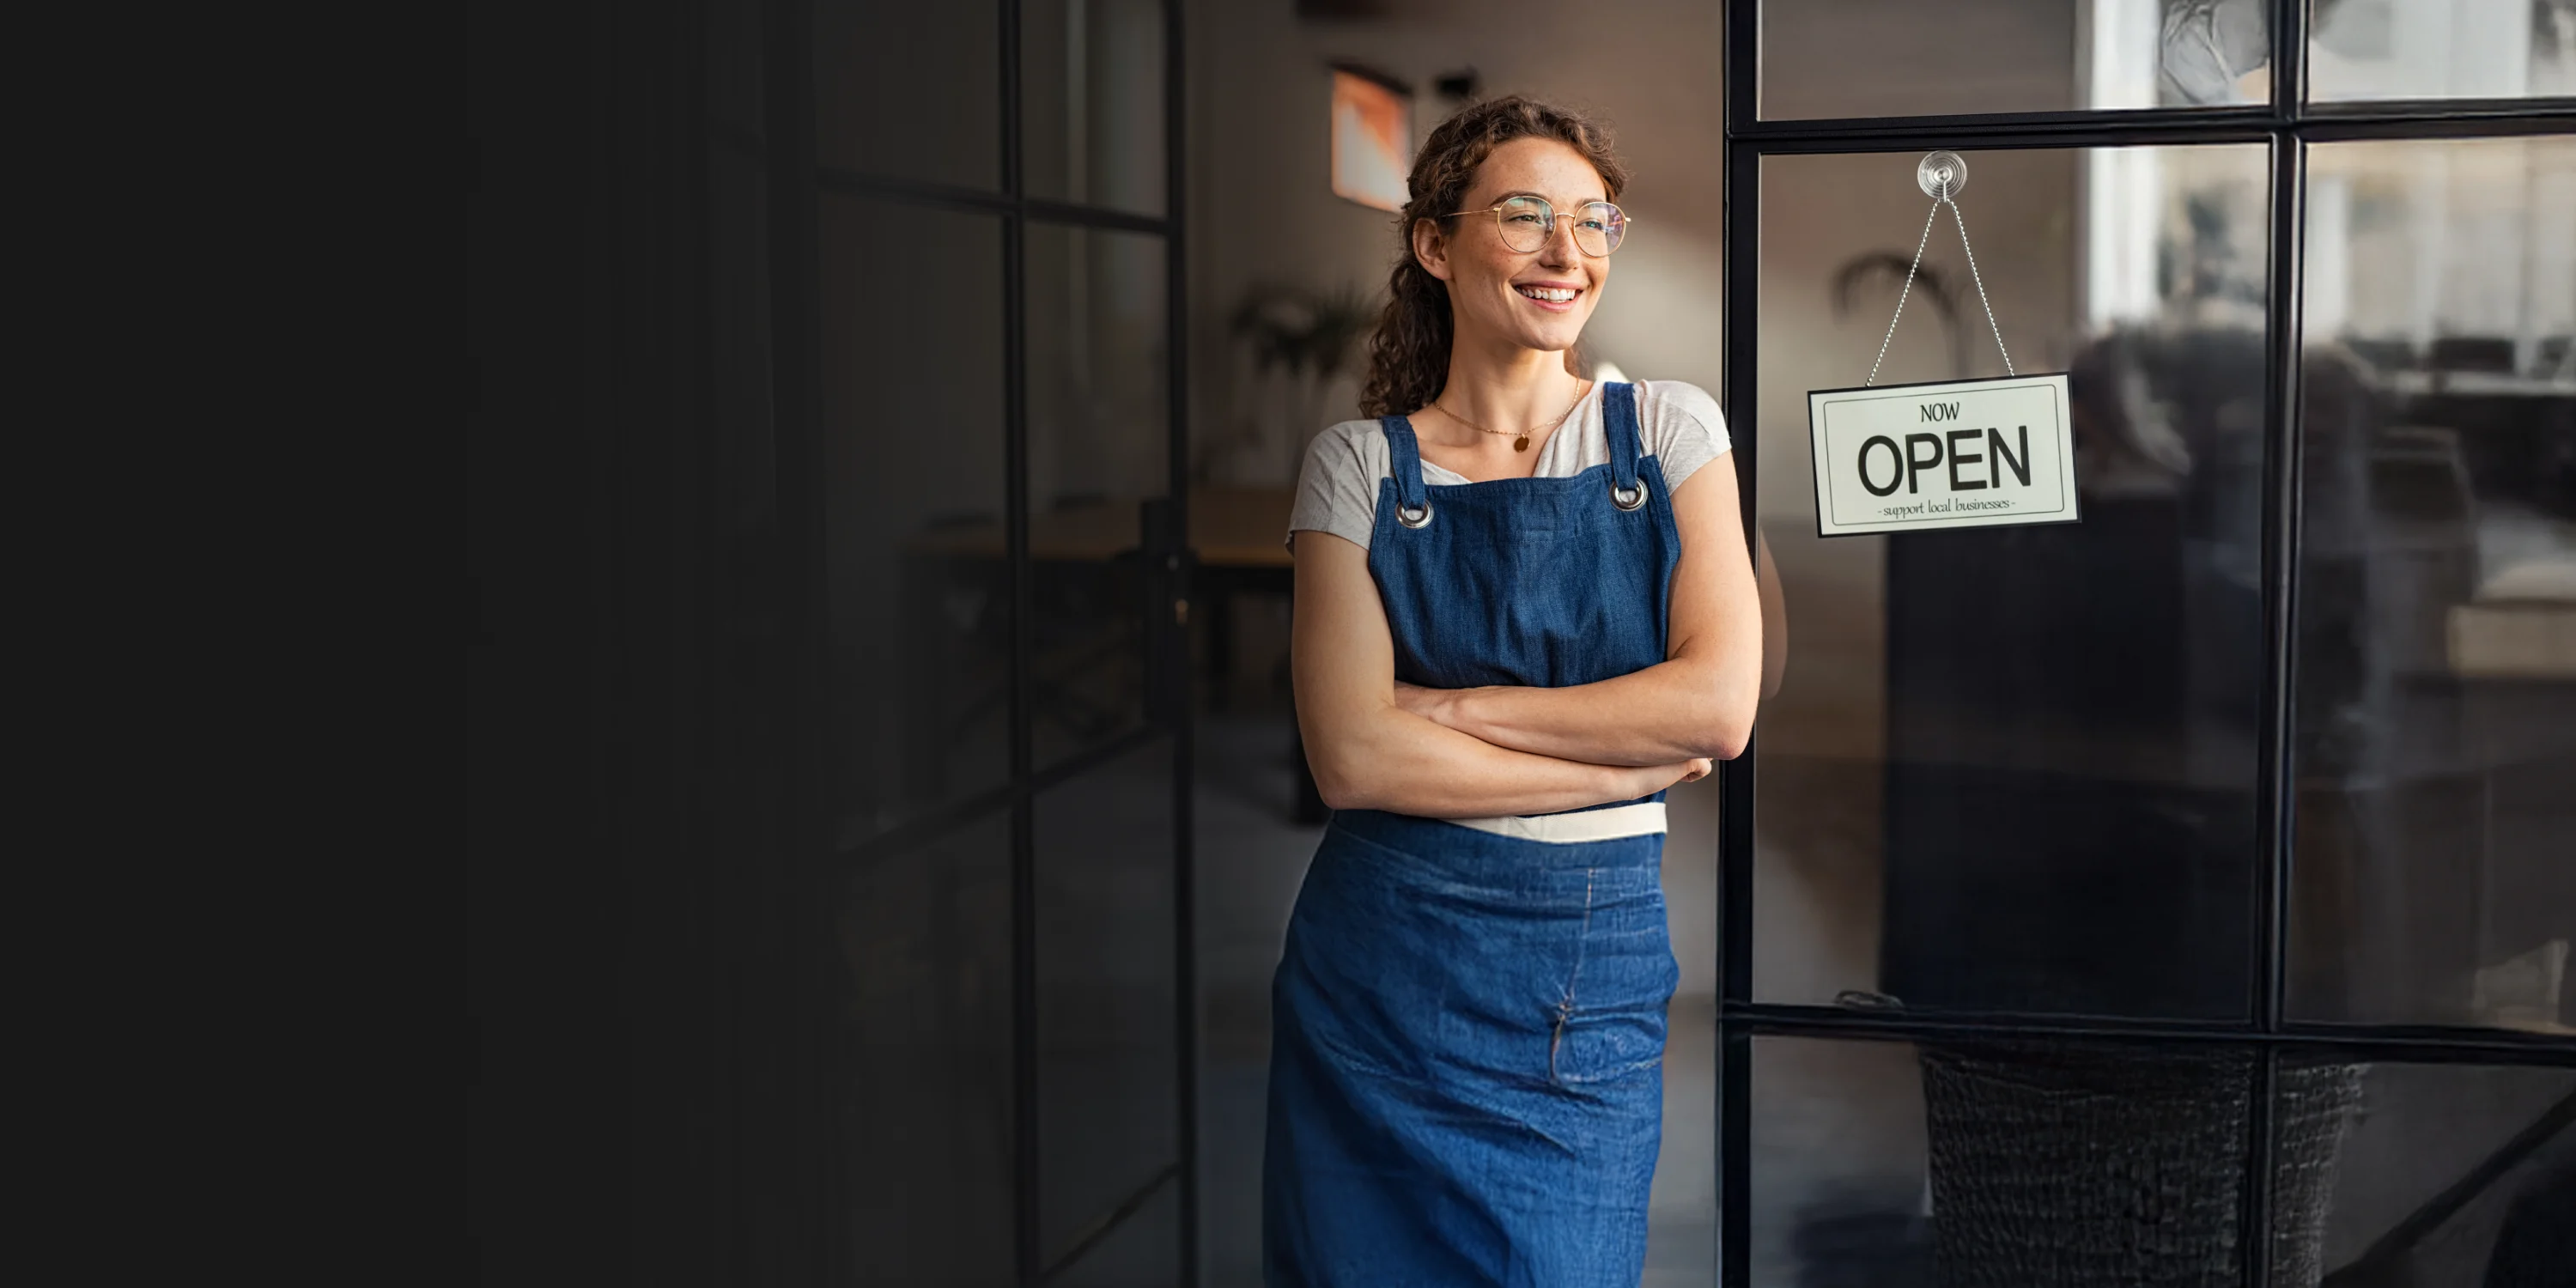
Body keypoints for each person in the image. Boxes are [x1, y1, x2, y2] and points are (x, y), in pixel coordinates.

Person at [1264, 94, 1762, 1287]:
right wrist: (1625, 756)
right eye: (1527, 215)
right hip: (1373, 982)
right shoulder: (1355, 466)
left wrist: (1449, 709)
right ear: (1435, 245)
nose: (1567, 253)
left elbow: (1717, 708)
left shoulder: (1671, 434)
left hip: (1584, 982)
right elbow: (1354, 762)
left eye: (1594, 221)